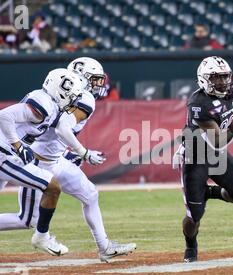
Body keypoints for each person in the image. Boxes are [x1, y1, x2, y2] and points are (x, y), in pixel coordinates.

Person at [0, 58, 136, 262]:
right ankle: (43, 237)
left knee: (89, 194)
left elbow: (52, 136)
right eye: (96, 80)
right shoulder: (77, 99)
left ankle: (105, 246)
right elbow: (62, 128)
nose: (100, 85)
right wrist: (83, 152)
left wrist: (67, 153)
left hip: (50, 158)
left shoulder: (60, 99)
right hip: (32, 159)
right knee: (29, 218)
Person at [173, 56, 233, 262]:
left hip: (214, 154)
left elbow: (228, 115)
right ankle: (191, 245)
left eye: (224, 77)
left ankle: (210, 193)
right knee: (195, 216)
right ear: (203, 80)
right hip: (195, 155)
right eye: (216, 78)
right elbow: (216, 141)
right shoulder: (198, 103)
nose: (222, 82)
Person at [0, 68, 84, 255]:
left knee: (32, 214)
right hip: (4, 154)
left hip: (6, 153)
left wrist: (67, 155)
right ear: (60, 90)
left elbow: (44, 137)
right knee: (52, 187)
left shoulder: (52, 107)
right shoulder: (43, 103)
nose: (73, 101)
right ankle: (42, 237)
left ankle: (41, 237)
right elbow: (4, 116)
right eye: (71, 95)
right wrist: (17, 146)